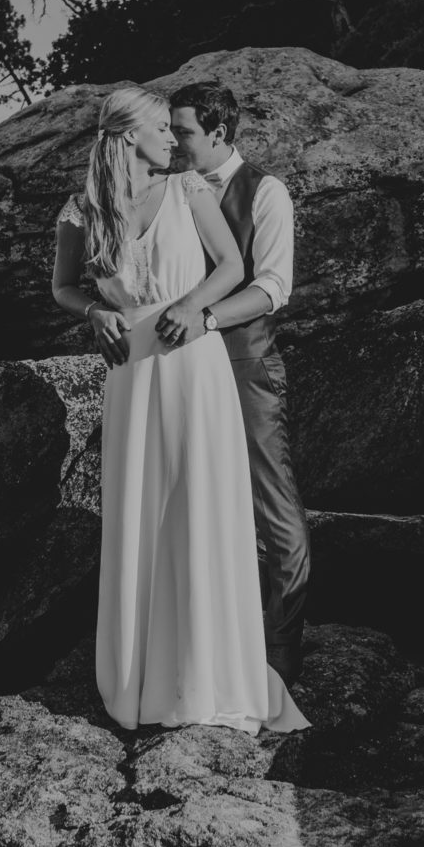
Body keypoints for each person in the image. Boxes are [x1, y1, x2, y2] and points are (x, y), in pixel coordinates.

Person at [51, 86, 308, 735]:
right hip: (132, 376)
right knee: (141, 518)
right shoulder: (81, 212)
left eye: (174, 127)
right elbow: (63, 285)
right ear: (127, 135)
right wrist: (95, 312)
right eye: (161, 127)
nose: (172, 138)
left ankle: (207, 676)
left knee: (198, 512)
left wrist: (194, 308)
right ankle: (143, 680)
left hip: (194, 366)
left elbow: (234, 266)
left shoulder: (189, 189)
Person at [163, 82, 310, 685]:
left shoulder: (266, 192)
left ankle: (280, 650)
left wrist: (206, 317)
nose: (174, 142)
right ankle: (218, 641)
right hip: (182, 369)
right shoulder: (173, 187)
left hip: (246, 365)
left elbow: (274, 286)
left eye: (184, 132)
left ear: (219, 133)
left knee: (273, 509)